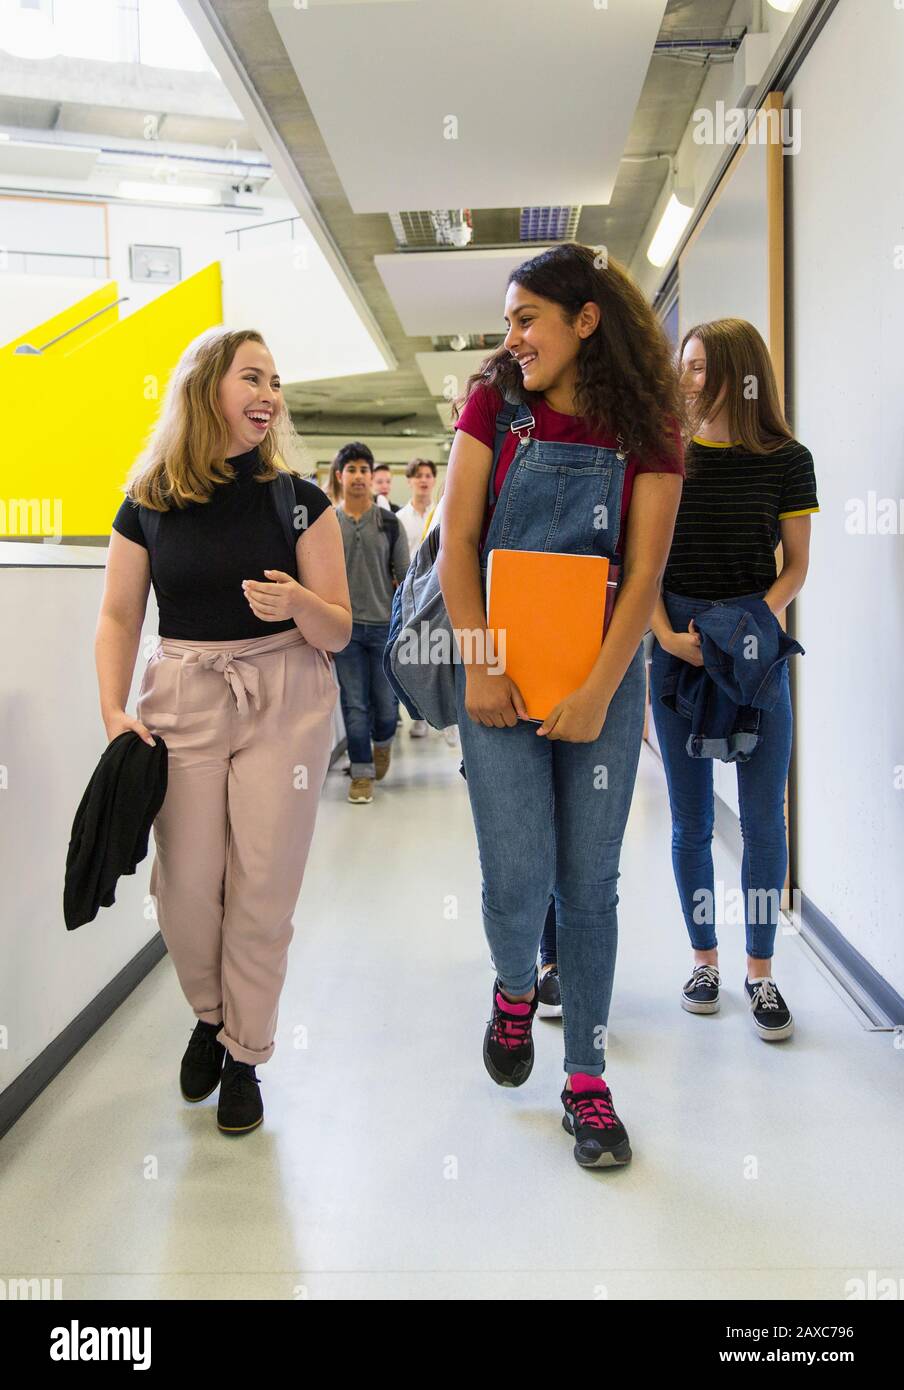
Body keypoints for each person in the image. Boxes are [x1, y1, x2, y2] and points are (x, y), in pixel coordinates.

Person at [438, 243, 685, 1169]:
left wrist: (597, 692)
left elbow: (645, 573)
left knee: (590, 887)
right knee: (516, 878)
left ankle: (586, 1081)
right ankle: (512, 991)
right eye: (509, 320)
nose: (513, 338)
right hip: (497, 678)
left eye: (528, 318)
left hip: (601, 686)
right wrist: (481, 663)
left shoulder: (649, 423)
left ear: (586, 320)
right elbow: (458, 542)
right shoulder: (494, 403)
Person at [97, 327, 351, 1135]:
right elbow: (117, 613)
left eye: (275, 380)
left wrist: (301, 608)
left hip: (287, 693)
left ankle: (245, 1053)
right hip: (183, 692)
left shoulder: (299, 499)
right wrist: (113, 710)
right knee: (184, 888)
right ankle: (209, 1014)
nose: (269, 394)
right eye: (252, 377)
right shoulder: (148, 498)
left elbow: (342, 627)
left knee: (263, 887)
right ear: (206, 387)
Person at [649, 318, 818, 1041]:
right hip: (678, 645)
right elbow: (643, 561)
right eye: (684, 367)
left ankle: (761, 971)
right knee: (689, 822)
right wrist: (664, 635)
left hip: (755, 654)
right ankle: (704, 961)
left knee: (761, 823)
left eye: (698, 368)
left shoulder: (788, 459)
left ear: (738, 375)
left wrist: (752, 625)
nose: (687, 380)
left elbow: (797, 568)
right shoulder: (664, 456)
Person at [333, 443, 410, 802]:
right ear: (340, 476)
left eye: (365, 469)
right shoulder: (327, 524)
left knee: (384, 703)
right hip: (344, 630)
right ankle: (361, 772)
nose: (359, 476)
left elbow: (406, 578)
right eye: (352, 469)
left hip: (383, 627)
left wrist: (406, 625)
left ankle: (383, 743)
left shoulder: (389, 523)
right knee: (354, 703)